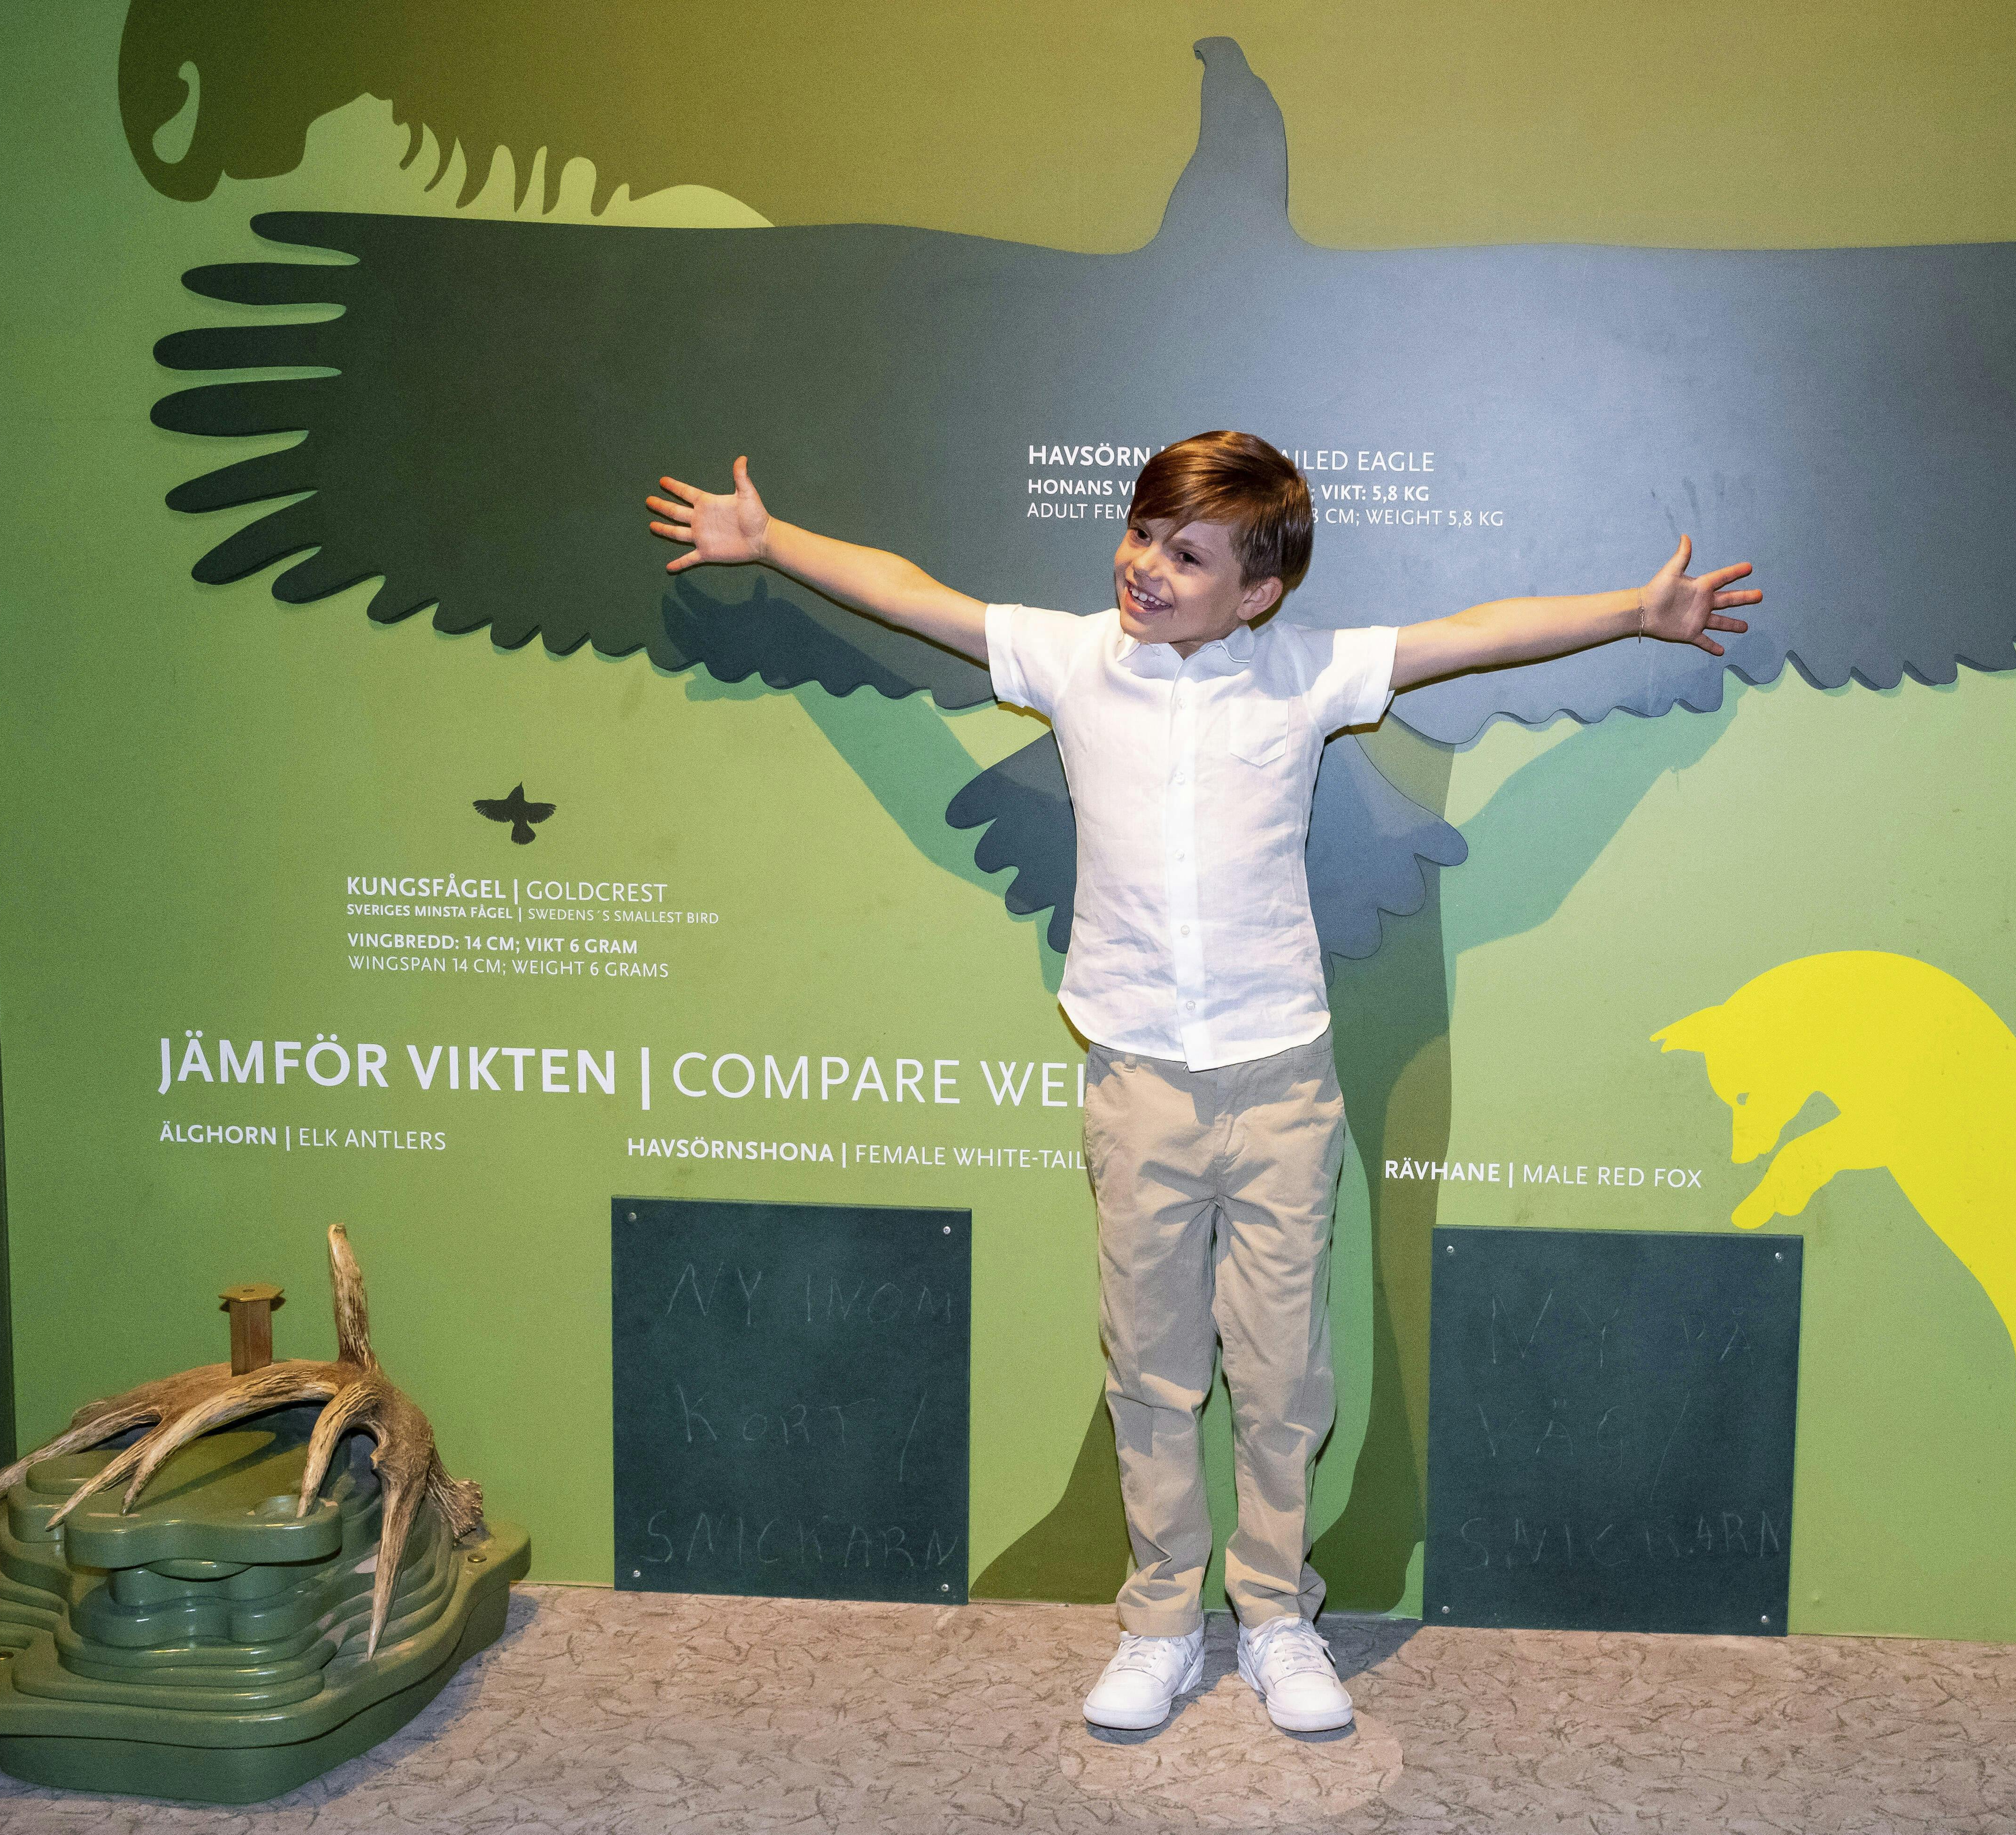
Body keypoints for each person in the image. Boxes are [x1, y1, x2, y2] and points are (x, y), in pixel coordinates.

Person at [644, 431, 1756, 1733]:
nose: (1145, 567)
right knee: (1154, 1372)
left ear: (1259, 589)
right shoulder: (1072, 660)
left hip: (1284, 1084)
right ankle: (1164, 1618)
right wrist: (773, 544)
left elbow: (1478, 632)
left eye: (1187, 553)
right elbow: (913, 591)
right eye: (1139, 534)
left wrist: (1638, 612)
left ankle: (1278, 1615)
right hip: (1137, 1083)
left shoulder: (1305, 672)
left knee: (1283, 1379)